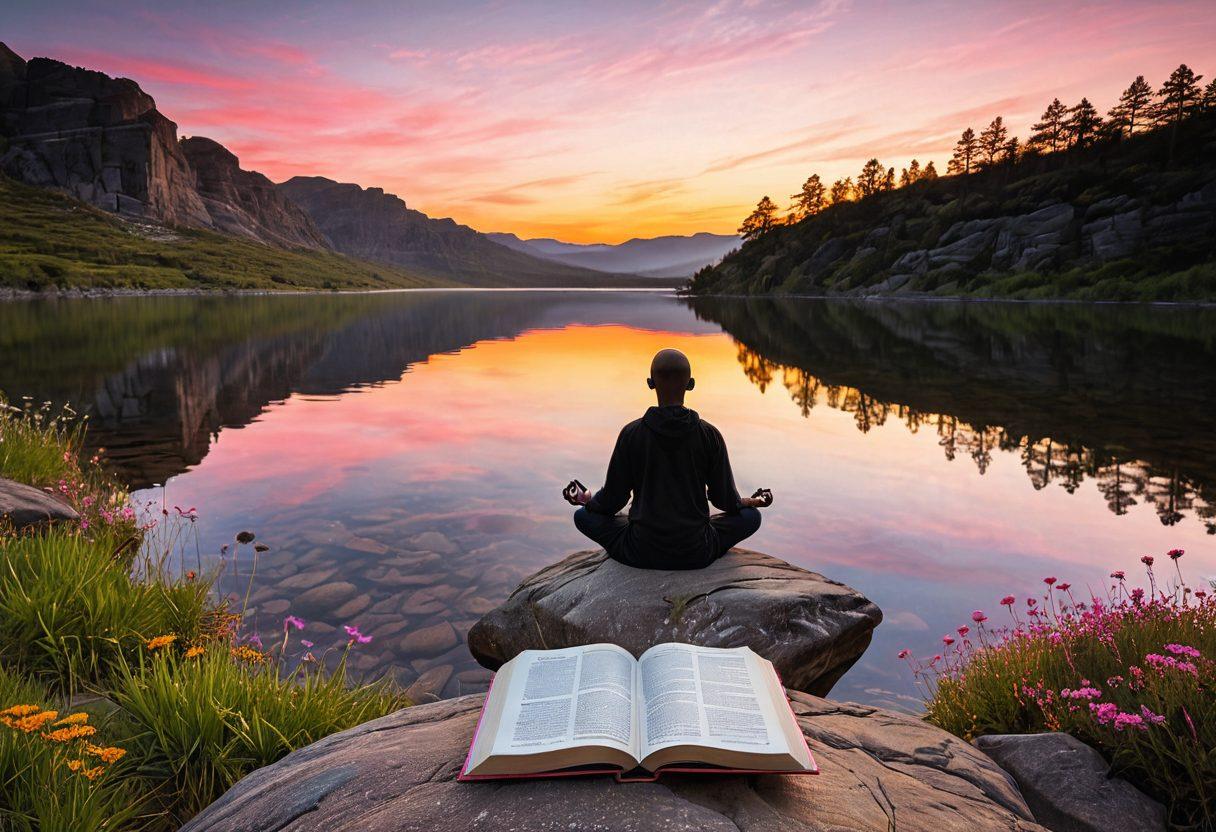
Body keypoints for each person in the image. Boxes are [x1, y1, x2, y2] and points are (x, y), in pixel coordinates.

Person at [565, 348, 770, 570]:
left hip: (640, 550)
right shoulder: (709, 435)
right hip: (696, 550)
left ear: (650, 383)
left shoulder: (631, 434)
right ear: (690, 384)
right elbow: (726, 501)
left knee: (582, 517)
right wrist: (752, 502)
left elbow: (613, 500)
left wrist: (588, 501)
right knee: (751, 517)